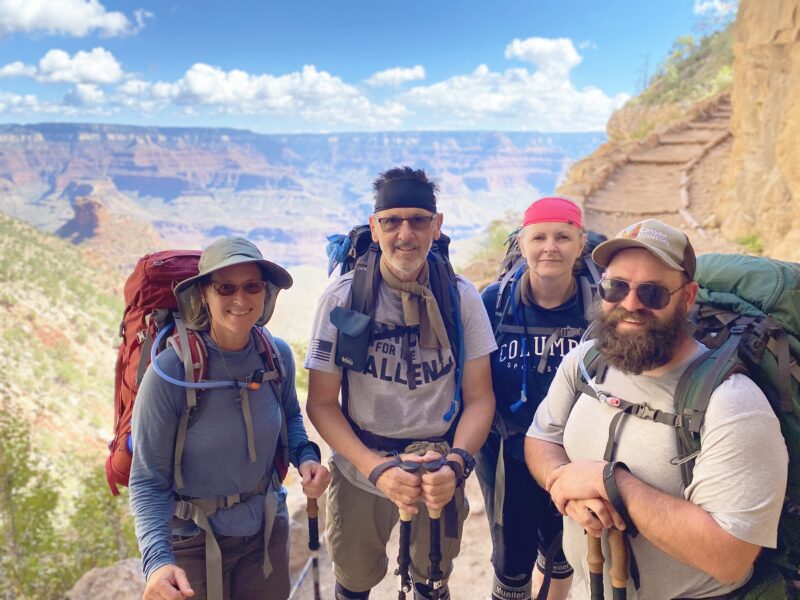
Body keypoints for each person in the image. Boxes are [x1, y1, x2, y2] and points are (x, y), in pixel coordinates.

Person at [525, 219, 788, 599]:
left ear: (687, 297)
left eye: (653, 293)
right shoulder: (587, 360)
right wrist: (564, 481)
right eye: (616, 287)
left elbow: (731, 557)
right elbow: (541, 437)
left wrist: (613, 484)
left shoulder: (732, 404)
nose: (630, 304)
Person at [305, 166, 497, 600]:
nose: (405, 234)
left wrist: (456, 464)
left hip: (437, 467)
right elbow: (321, 402)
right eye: (391, 221)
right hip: (360, 468)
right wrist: (377, 469)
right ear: (375, 228)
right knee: (354, 580)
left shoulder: (461, 297)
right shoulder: (341, 299)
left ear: (437, 225)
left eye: (418, 220)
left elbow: (480, 397)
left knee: (431, 579)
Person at [130, 237, 330, 600]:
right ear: (203, 294)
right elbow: (147, 482)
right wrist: (157, 562)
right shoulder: (172, 373)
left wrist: (307, 458)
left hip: (266, 532)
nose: (241, 300)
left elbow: (290, 420)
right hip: (193, 542)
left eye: (252, 286)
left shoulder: (275, 356)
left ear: (266, 293)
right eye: (226, 288)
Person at [477, 197, 589, 600]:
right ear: (522, 245)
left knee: (564, 549)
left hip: (574, 449)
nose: (550, 247)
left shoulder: (598, 307)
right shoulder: (494, 303)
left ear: (580, 244)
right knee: (511, 556)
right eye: (539, 237)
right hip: (505, 448)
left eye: (562, 236)